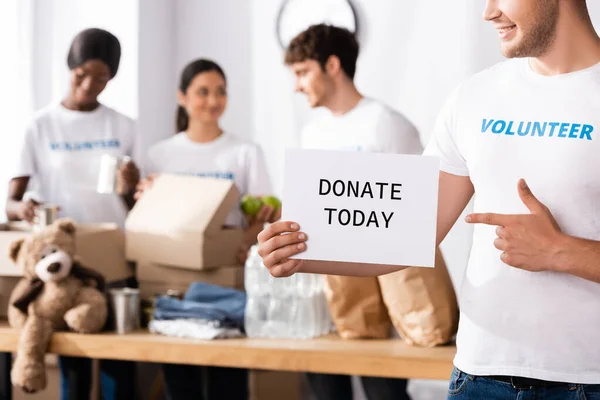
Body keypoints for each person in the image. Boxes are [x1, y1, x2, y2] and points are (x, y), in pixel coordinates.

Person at [258, 1, 600, 399]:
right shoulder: (475, 97)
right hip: (478, 378)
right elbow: (411, 230)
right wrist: (301, 253)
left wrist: (561, 251)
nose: (488, 13)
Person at [282, 24, 422, 400]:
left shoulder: (386, 124)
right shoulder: (312, 134)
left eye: (302, 72)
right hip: (325, 293)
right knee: (325, 392)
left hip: (383, 294)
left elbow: (416, 214)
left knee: (383, 394)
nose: (297, 85)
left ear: (332, 65)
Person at [6, 28, 140, 400]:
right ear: (70, 68)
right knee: (75, 362)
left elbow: (135, 207)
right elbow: (11, 202)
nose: (89, 85)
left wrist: (130, 186)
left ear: (111, 78)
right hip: (66, 261)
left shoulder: (123, 126)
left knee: (119, 360)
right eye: (82, 74)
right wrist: (26, 209)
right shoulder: (40, 125)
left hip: (114, 255)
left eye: (101, 78)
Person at [135, 58, 275, 400]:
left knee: (228, 381)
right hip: (175, 283)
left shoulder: (244, 152)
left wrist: (256, 227)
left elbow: (263, 217)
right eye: (203, 92)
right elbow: (152, 223)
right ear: (182, 97)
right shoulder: (160, 154)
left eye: (220, 92)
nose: (213, 101)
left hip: (227, 280)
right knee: (180, 383)